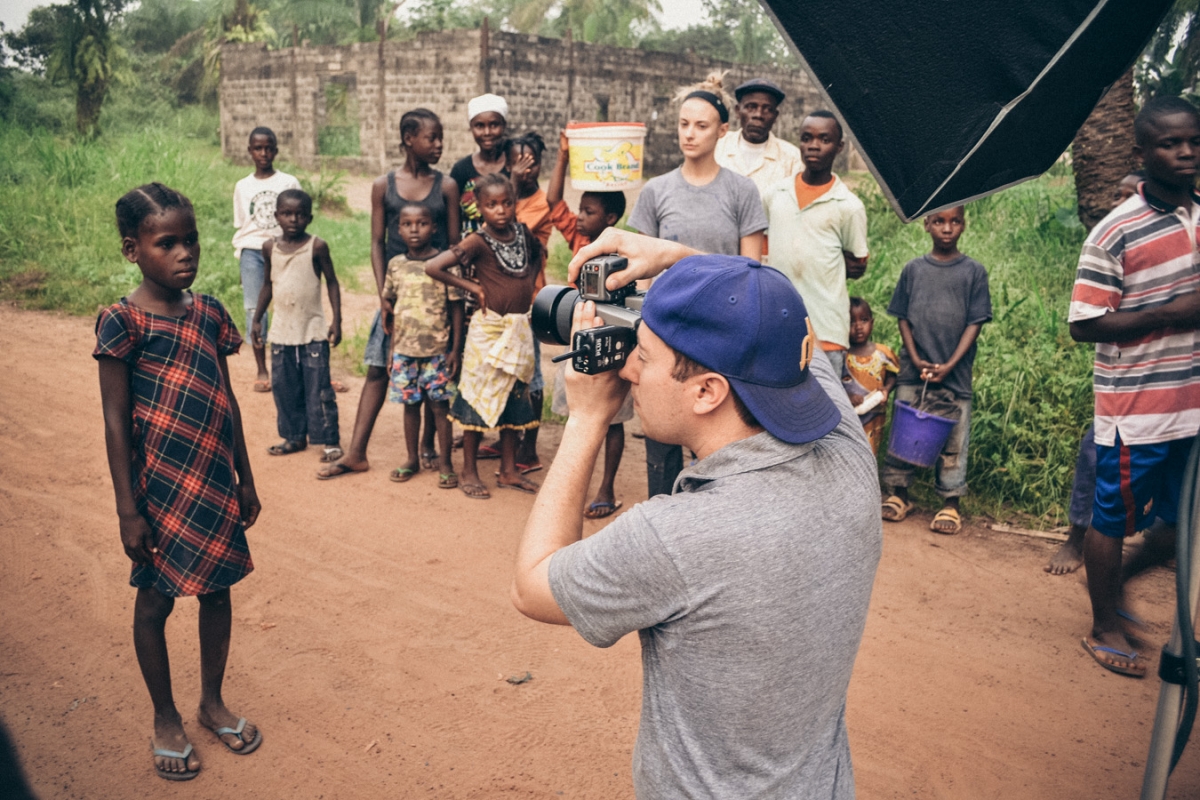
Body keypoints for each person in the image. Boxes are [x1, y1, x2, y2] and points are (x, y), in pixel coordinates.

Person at [510, 248, 881, 798]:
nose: (628, 370)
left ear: (707, 391)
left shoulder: (679, 536)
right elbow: (779, 320)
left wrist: (586, 418)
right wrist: (682, 263)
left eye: (643, 355)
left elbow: (532, 584)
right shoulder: (849, 457)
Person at [97, 184, 262, 782]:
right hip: (160, 492)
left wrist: (245, 477)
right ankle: (165, 716)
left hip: (213, 484)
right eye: (166, 243)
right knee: (156, 600)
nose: (184, 252)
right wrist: (128, 511)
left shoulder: (210, 313)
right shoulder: (122, 322)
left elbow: (227, 401)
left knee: (217, 592)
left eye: (190, 239)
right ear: (132, 250)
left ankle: (211, 703)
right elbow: (115, 421)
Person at [1069, 96, 1200, 678]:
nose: (1186, 152)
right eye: (1171, 143)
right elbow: (1084, 324)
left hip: (1193, 404)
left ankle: (1116, 581)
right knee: (1113, 519)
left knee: (1179, 523)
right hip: (1138, 407)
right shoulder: (1115, 230)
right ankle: (1102, 625)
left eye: (1194, 140)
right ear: (1142, 151)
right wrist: (1171, 313)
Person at [628, 71, 768, 497]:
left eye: (701, 126)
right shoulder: (656, 191)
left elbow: (751, 271)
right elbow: (642, 270)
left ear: (723, 131)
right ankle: (661, 513)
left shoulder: (742, 192)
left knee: (717, 437)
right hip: (663, 331)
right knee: (661, 434)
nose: (689, 134)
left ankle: (716, 517)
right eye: (683, 124)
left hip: (722, 333)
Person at [319, 109, 460, 480]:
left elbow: (455, 245)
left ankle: (427, 447)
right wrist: (385, 295)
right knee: (379, 367)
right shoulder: (384, 185)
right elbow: (376, 243)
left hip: (435, 298)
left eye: (440, 137)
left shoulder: (446, 186)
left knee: (432, 373)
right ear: (409, 139)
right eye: (431, 138)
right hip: (398, 292)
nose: (439, 145)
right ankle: (356, 453)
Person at [1046, 169, 1146, 575]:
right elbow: (1085, 321)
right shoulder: (1111, 245)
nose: (1117, 204)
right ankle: (1077, 538)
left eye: (1128, 195)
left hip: (1173, 381)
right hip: (1121, 381)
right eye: (1117, 195)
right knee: (1095, 455)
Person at [425, 173, 543, 499]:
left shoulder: (522, 233)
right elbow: (433, 267)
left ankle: (508, 470)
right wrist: (473, 287)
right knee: (478, 397)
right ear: (479, 207)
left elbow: (538, 253)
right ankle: (468, 470)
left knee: (512, 397)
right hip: (488, 332)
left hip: (518, 329)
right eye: (491, 205)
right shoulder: (477, 241)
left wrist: (529, 285)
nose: (501, 210)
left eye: (507, 203)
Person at [880, 205, 992, 535]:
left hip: (955, 374)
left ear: (964, 225)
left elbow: (975, 323)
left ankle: (950, 501)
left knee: (954, 439)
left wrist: (951, 364)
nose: (947, 228)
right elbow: (903, 317)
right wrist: (915, 359)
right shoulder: (913, 270)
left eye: (955, 221)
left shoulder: (973, 272)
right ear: (926, 225)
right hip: (914, 370)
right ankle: (899, 493)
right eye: (939, 221)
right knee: (905, 428)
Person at [545, 130, 632, 518]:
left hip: (611, 339)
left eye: (589, 211)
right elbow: (552, 202)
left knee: (613, 419)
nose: (579, 216)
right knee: (578, 414)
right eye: (580, 210)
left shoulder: (626, 250)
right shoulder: (579, 239)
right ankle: (573, 484)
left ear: (610, 219)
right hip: (578, 335)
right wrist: (563, 156)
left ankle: (606, 487)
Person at [762, 110, 869, 379]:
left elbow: (858, 263)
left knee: (824, 402)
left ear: (839, 147)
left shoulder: (849, 206)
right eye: (807, 138)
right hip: (778, 326)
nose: (814, 145)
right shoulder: (775, 195)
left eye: (824, 139)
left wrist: (825, 261)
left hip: (826, 330)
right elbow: (763, 246)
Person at [251, 189, 342, 461]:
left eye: (300, 214)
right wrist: (257, 319)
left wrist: (336, 319)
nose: (293, 219)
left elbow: (332, 282)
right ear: (276, 216)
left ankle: (330, 441)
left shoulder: (317, 246)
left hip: (312, 331)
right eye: (287, 213)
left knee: (319, 388)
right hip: (282, 331)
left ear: (309, 218)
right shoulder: (269, 248)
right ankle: (294, 437)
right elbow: (267, 284)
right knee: (284, 387)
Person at [381, 201, 464, 488]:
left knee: (440, 408)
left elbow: (456, 308)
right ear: (398, 229)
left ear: (434, 227)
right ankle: (411, 458)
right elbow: (392, 310)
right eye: (407, 224)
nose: (414, 229)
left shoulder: (443, 263)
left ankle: (446, 463)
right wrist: (391, 351)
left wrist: (455, 350)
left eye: (422, 223)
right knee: (410, 406)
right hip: (405, 352)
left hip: (438, 352)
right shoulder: (395, 265)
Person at [231, 126, 301, 394]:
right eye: (258, 148)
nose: (263, 153)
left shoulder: (288, 182)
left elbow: (298, 216)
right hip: (252, 252)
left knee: (288, 303)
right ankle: (261, 368)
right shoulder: (242, 186)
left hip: (283, 250)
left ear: (276, 151)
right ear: (250, 151)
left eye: (268, 148)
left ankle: (288, 365)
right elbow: (243, 224)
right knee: (254, 310)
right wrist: (243, 261)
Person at [507, 131, 553, 473]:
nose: (524, 169)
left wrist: (511, 182)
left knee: (531, 375)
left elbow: (510, 234)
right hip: (504, 301)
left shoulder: (539, 204)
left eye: (530, 163)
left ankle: (530, 448)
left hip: (530, 299)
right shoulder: (502, 193)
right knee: (508, 372)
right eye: (516, 162)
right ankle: (508, 440)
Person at [714, 77, 803, 199]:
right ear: (738, 111)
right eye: (751, 107)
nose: (758, 115)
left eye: (767, 109)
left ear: (775, 116)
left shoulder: (792, 159)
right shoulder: (716, 146)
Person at [843, 297, 899, 454]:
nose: (858, 327)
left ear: (872, 323)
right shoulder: (842, 355)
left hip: (875, 418)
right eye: (851, 322)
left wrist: (886, 389)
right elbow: (834, 382)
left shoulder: (882, 353)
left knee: (872, 452)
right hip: (851, 418)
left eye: (864, 320)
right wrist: (848, 396)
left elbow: (894, 375)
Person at [450, 93, 510, 238]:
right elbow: (452, 216)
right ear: (471, 128)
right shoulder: (461, 170)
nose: (487, 132)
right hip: (468, 247)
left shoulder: (514, 166)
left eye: (494, 125)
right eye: (479, 126)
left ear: (504, 125)